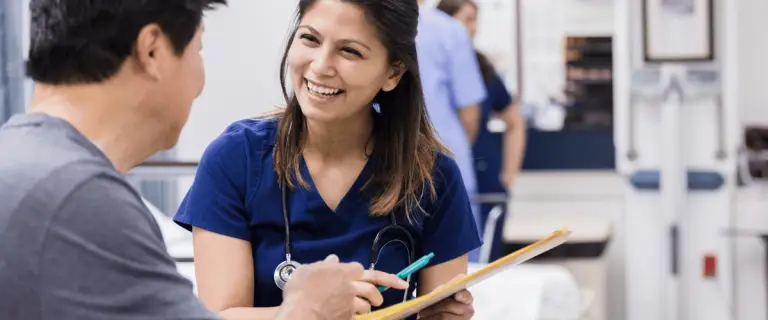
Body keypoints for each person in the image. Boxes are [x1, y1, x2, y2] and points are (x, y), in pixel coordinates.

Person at [0, 0, 401, 319]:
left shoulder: (24, 166)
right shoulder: (79, 199)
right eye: (199, 49)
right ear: (152, 50)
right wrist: (308, 309)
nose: (200, 81)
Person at [172, 0, 481, 318]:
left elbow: (438, 308)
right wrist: (309, 312)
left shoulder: (432, 176)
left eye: (350, 51)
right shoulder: (236, 159)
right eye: (310, 39)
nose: (320, 66)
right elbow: (219, 315)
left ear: (393, 72)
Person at [436, 0, 527, 261]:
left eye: (476, 20)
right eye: (467, 19)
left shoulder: (481, 68)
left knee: (485, 268)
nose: (474, 29)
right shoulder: (425, 62)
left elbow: (515, 121)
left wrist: (508, 177)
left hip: (484, 183)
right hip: (446, 182)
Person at [414, 0, 487, 254]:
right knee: (459, 275)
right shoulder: (449, 31)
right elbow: (470, 114)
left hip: (386, 166)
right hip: (446, 162)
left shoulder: (369, 25)